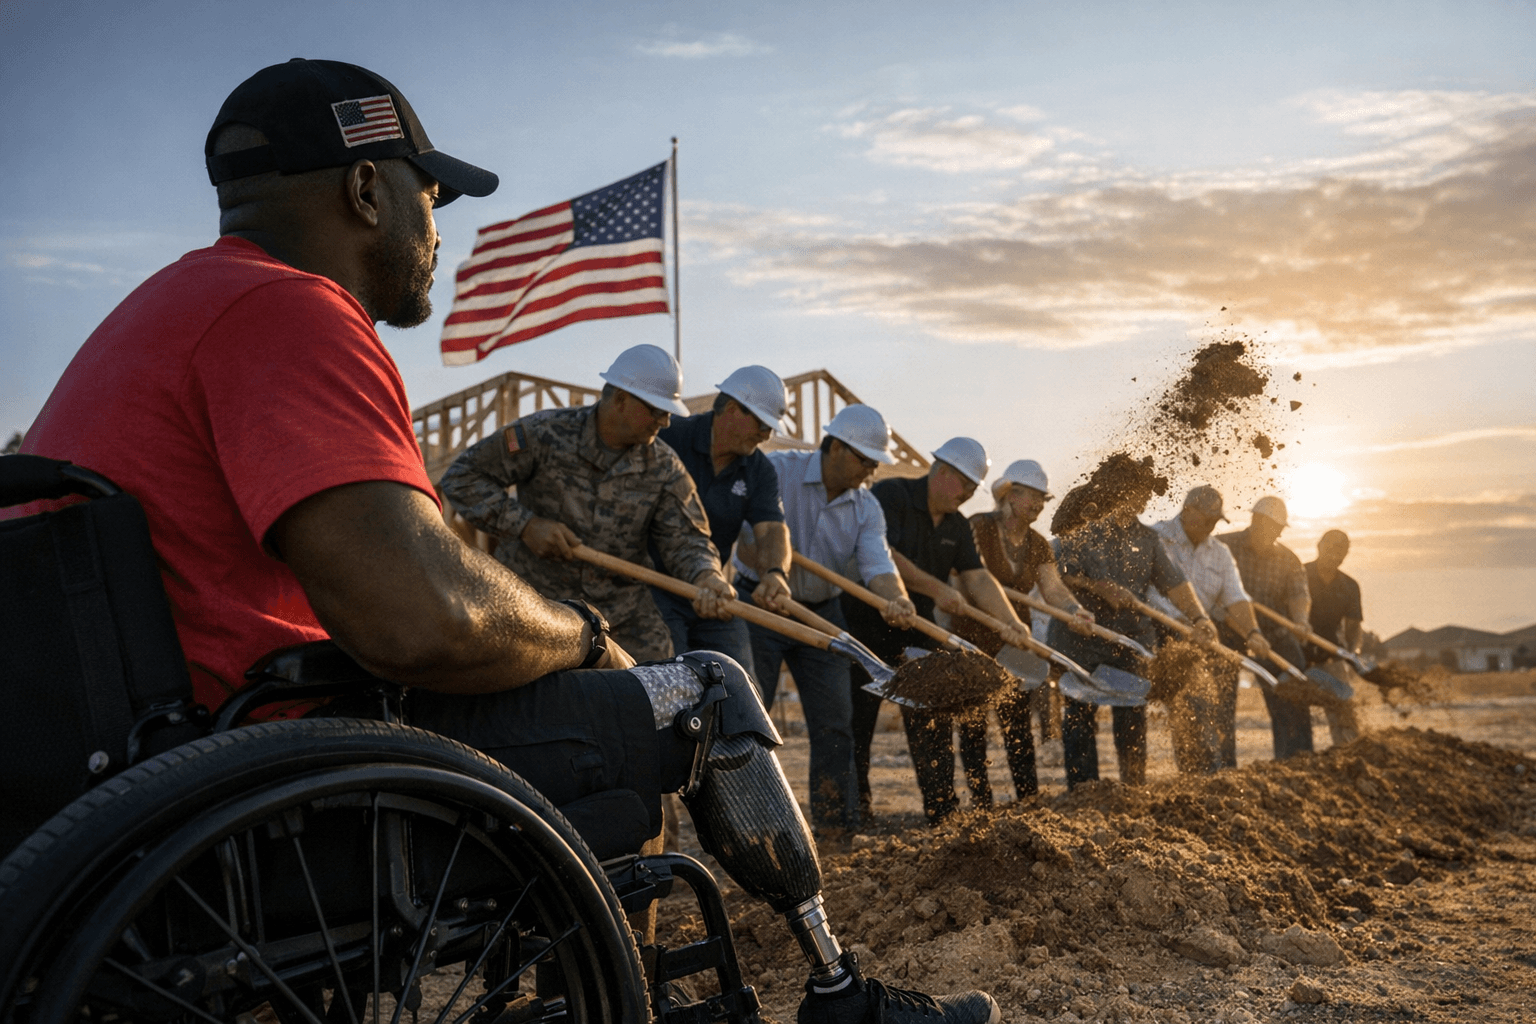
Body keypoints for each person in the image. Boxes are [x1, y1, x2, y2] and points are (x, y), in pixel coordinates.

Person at [9, 59, 998, 1023]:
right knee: (696, 692)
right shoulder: (290, 309)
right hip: (259, 778)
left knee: (625, 699)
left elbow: (672, 542)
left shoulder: (162, 310)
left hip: (143, 780)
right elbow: (417, 615)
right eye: (429, 195)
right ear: (365, 189)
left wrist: (704, 583)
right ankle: (832, 992)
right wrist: (572, 628)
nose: (438, 229)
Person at [440, 343, 734, 663]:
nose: (665, 421)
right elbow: (463, 477)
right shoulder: (544, 434)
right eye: (657, 410)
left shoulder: (664, 467)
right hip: (536, 605)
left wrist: (707, 575)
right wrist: (524, 525)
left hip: (622, 615)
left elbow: (688, 538)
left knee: (657, 689)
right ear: (621, 400)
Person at [732, 404, 918, 833]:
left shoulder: (867, 507)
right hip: (760, 606)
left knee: (836, 723)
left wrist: (897, 600)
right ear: (834, 447)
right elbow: (741, 538)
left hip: (821, 613)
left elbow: (878, 568)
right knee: (750, 720)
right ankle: (752, 829)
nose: (870, 470)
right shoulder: (777, 471)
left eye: (875, 463)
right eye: (865, 460)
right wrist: (769, 570)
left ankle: (836, 825)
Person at [842, 439, 1037, 825]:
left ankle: (942, 813)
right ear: (941, 471)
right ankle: (855, 815)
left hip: (918, 630)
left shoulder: (957, 525)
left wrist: (1010, 620)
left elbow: (977, 578)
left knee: (933, 717)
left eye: (971, 489)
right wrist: (937, 588)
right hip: (865, 625)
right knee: (857, 725)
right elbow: (882, 552)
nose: (966, 495)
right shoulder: (891, 494)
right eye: (963, 485)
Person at [1048, 455, 1217, 788]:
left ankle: (1132, 789)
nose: (1144, 499)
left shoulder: (1148, 539)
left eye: (1145, 494)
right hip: (1082, 638)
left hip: (1130, 641)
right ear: (1119, 490)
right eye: (1137, 492)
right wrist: (1095, 586)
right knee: (1080, 720)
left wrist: (1200, 617)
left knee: (1132, 718)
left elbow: (1175, 583)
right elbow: (1054, 574)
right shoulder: (1081, 527)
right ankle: (1084, 793)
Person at [948, 460, 1095, 804]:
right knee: (973, 727)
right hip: (974, 640)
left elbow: (1053, 590)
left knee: (1017, 725)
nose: (1040, 505)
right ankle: (982, 802)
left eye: (1043, 499)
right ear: (1010, 495)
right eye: (1033, 497)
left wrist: (1075, 611)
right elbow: (959, 576)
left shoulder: (1039, 544)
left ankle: (1028, 800)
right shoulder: (976, 528)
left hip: (1017, 644)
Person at [652, 365, 794, 672]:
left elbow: (770, 530)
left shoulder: (760, 470)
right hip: (652, 587)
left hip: (715, 592)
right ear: (731, 410)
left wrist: (774, 572)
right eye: (761, 424)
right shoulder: (669, 438)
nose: (766, 434)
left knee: (739, 683)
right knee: (666, 680)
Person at [1147, 485, 1274, 772]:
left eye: (1216, 521)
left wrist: (1252, 632)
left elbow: (1235, 597)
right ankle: (1194, 774)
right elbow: (1147, 592)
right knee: (1189, 704)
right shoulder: (1156, 538)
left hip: (1205, 632)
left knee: (1223, 697)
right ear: (1187, 511)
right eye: (1206, 519)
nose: (1211, 527)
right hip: (1163, 630)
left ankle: (1224, 771)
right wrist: (1180, 621)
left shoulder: (1220, 553)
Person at [1219, 496, 1314, 760]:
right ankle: (1222, 769)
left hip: (1273, 634)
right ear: (1257, 521)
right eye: (1275, 527)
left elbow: (1299, 594)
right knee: (1220, 701)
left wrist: (1301, 621)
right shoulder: (1224, 547)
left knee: (1292, 695)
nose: (1279, 532)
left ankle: (1297, 761)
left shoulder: (1288, 559)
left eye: (1281, 529)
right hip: (1229, 630)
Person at [1306, 529, 1365, 745]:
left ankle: (1349, 754)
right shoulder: (1299, 575)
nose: (1335, 555)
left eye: (1341, 551)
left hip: (1332, 657)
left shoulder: (1349, 586)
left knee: (1344, 710)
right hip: (1297, 655)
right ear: (1319, 547)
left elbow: (1353, 627)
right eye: (1330, 548)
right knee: (1295, 711)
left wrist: (1353, 652)